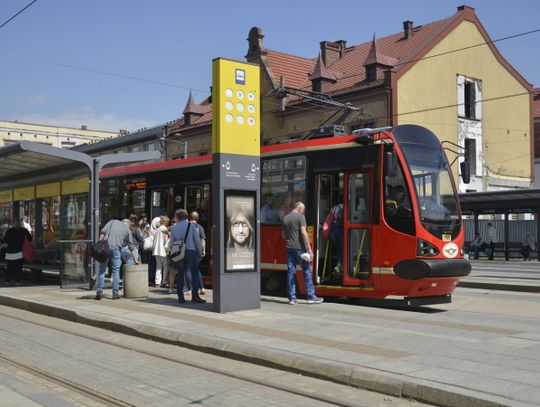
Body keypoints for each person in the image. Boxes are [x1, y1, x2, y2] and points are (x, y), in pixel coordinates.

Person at [282, 201, 323, 305]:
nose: (303, 212)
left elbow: (283, 235)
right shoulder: (300, 217)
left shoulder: (286, 218)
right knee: (306, 271)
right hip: (300, 248)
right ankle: (310, 296)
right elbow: (304, 233)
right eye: (303, 210)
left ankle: (292, 299)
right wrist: (309, 249)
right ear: (299, 208)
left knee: (291, 272)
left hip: (289, 248)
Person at [95, 218, 139, 300]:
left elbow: (103, 233)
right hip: (116, 249)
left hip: (105, 248)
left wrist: (99, 244)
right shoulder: (128, 230)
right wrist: (135, 259)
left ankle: (99, 291)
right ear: (129, 225)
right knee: (116, 271)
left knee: (102, 270)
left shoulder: (112, 221)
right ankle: (115, 293)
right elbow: (131, 247)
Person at [170, 209, 205, 304]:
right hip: (191, 251)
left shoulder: (174, 228)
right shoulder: (191, 226)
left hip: (179, 252)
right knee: (194, 273)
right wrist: (200, 252)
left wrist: (172, 253)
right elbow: (197, 240)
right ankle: (195, 296)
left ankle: (180, 297)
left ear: (177, 217)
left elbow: (171, 243)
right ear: (186, 216)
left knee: (180, 274)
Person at [3, 218, 32, 286]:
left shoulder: (9, 231)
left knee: (9, 268)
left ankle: (7, 280)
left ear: (13, 223)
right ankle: (17, 281)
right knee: (18, 268)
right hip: (19, 252)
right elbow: (30, 238)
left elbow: (5, 241)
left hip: (10, 252)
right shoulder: (24, 230)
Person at [190, 211, 206, 295]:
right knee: (196, 269)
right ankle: (202, 287)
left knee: (188, 269)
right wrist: (203, 251)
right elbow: (203, 240)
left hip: (188, 250)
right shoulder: (200, 227)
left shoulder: (187, 226)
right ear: (198, 218)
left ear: (190, 217)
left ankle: (190, 288)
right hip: (197, 250)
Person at [152, 215, 170, 287]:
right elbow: (166, 240)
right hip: (163, 250)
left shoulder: (157, 229)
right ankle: (164, 281)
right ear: (166, 222)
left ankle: (157, 281)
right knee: (165, 266)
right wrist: (167, 249)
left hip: (156, 250)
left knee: (158, 266)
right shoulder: (164, 229)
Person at [328, 202, 344, 273]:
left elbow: (329, 219)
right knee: (345, 248)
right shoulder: (349, 206)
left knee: (338, 249)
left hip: (334, 230)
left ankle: (339, 264)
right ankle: (342, 265)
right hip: (343, 229)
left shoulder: (334, 207)